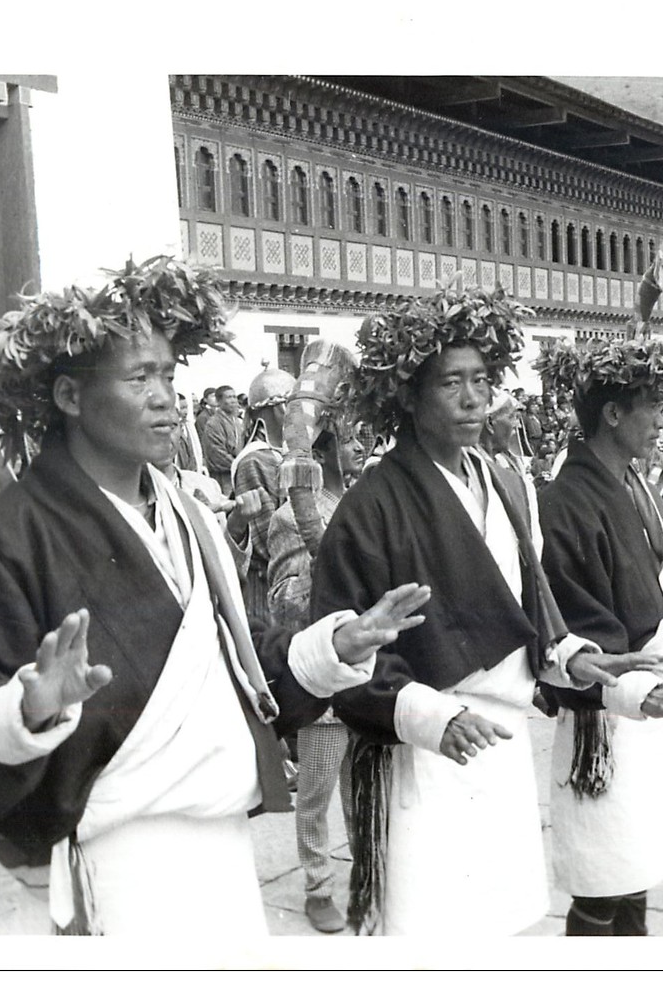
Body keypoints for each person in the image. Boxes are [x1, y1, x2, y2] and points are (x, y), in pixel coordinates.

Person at [0, 256, 425, 937]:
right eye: (140, 377)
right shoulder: (6, 534)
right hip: (118, 867)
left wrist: (331, 645)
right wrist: (30, 706)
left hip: (225, 855)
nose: (167, 395)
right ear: (71, 397)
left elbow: (246, 659)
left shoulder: (187, 513)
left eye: (168, 374)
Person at [309, 283, 658, 937]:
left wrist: (571, 657)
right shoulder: (373, 506)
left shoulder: (501, 479)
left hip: (499, 744)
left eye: (480, 380)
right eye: (450, 384)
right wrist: (426, 711)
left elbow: (530, 601)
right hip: (423, 749)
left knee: (498, 925)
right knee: (431, 931)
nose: (473, 399)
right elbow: (346, 650)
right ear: (408, 394)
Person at [535, 338, 663, 936]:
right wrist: (637, 684)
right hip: (608, 719)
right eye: (654, 408)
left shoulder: (632, 484)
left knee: (637, 872)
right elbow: (574, 620)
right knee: (603, 886)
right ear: (612, 414)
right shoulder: (569, 501)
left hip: (653, 702)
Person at [265, 352, 368, 934]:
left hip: (363, 678)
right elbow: (282, 598)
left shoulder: (353, 507)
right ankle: (316, 884)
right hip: (318, 678)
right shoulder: (289, 515)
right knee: (317, 794)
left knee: (361, 789)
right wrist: (321, 577)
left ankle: (363, 872)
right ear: (325, 448)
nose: (359, 451)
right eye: (351, 441)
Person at [227, 366, 295, 623]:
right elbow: (269, 539)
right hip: (265, 588)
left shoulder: (283, 453)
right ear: (281, 408)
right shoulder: (253, 461)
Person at [202, 384, 242, 493]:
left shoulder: (237, 421)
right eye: (229, 397)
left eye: (234, 397)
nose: (233, 401)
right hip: (223, 477)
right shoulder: (213, 423)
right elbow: (217, 453)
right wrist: (237, 464)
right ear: (219, 401)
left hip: (239, 474)